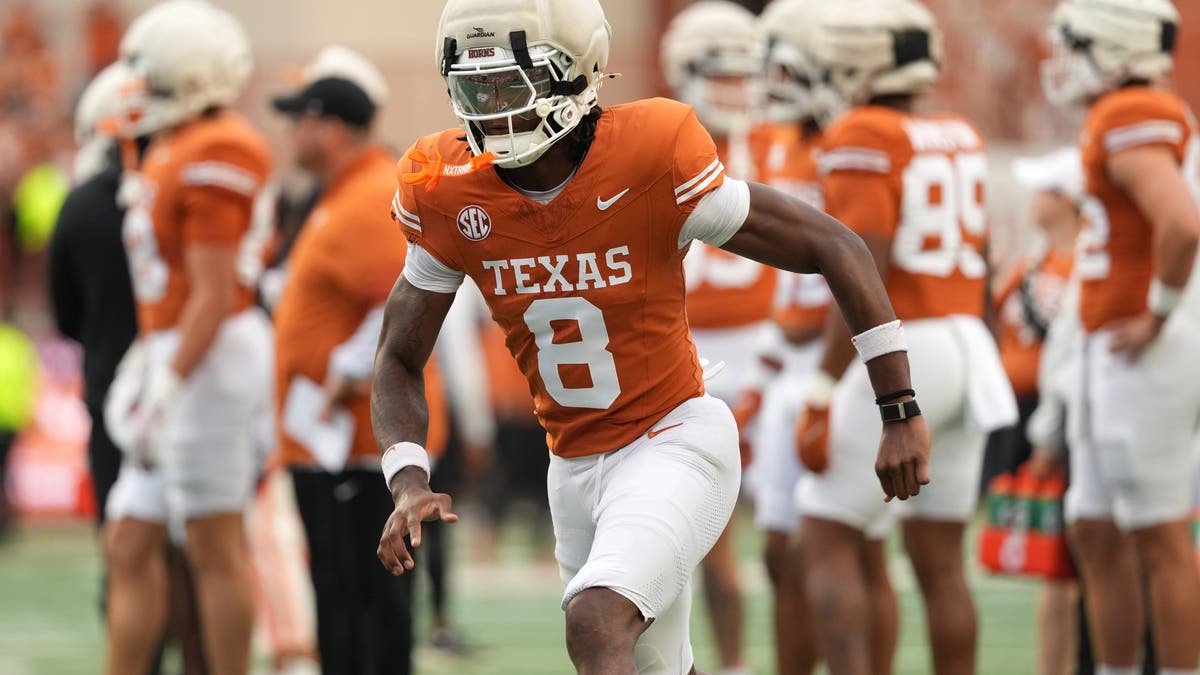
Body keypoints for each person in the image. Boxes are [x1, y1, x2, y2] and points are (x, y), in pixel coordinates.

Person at [372, 1, 931, 674]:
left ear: (572, 75)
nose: (492, 110)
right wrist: (407, 478)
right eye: (475, 88)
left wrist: (897, 404)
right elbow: (399, 356)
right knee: (656, 661)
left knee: (597, 618)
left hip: (674, 437)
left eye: (510, 86)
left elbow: (835, 244)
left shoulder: (649, 154)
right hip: (572, 465)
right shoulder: (449, 192)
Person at [792, 2, 1018, 674]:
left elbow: (861, 265)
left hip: (909, 342)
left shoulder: (864, 130)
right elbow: (983, 257)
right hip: (966, 343)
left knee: (823, 534)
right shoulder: (958, 132)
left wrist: (822, 385)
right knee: (942, 561)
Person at [101, 2, 274, 674]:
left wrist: (168, 381)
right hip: (174, 350)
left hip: (210, 351)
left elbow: (212, 291)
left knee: (212, 544)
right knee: (129, 538)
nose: (137, 84)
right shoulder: (175, 140)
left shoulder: (220, 146)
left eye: (149, 72)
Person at [270, 47, 448, 675]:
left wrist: (335, 379)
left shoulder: (369, 192)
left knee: (368, 614)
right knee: (343, 613)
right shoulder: (337, 193)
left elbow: (395, 314)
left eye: (301, 118)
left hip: (355, 443)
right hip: (330, 443)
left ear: (332, 126)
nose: (290, 131)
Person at [1041, 1, 1200, 673]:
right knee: (1094, 527)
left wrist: (1159, 314)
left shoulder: (1129, 113)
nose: (1065, 60)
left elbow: (1182, 225)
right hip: (1114, 349)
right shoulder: (1126, 112)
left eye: (1076, 45)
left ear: (1111, 47)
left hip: (1146, 350)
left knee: (1158, 533)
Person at [659, 4, 773, 672]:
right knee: (708, 541)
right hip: (699, 352)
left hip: (778, 354)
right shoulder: (670, 141)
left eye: (744, 72)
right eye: (718, 72)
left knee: (793, 537)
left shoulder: (784, 137)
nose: (735, 87)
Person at [731, 1, 832, 673]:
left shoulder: (853, 136)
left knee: (835, 544)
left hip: (841, 355)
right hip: (790, 352)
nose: (773, 78)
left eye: (786, 62)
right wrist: (765, 372)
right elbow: (784, 282)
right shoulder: (779, 138)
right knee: (777, 544)